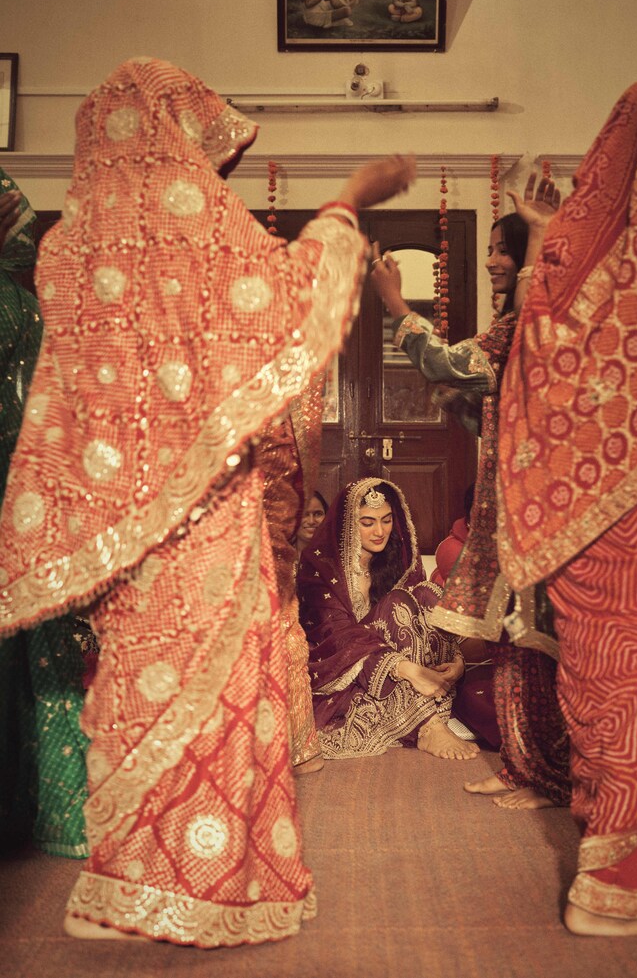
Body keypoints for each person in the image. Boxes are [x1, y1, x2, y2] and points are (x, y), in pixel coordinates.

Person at [0, 58, 416, 946]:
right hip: (205, 518)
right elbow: (290, 299)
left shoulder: (66, 247)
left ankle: (126, 882)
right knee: (216, 689)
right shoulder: (198, 227)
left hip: (118, 526)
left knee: (135, 686)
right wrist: (348, 198)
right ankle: (203, 882)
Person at [497, 79, 637, 935]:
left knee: (613, 684)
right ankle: (612, 888)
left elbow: (531, 351)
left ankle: (630, 870)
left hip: (580, 530)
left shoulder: (569, 256)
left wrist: (543, 236)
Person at [370, 175, 571, 811]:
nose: (491, 262)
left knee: (532, 639)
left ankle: (546, 775)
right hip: (503, 503)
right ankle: (521, 765)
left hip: (535, 508)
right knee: (509, 637)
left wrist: (395, 304)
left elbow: (446, 362)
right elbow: (468, 399)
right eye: (489, 250)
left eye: (502, 250)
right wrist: (464, 400)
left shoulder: (531, 327)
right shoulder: (513, 327)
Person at [0, 167, 93, 859]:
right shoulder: (32, 308)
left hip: (22, 493)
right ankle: (51, 810)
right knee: (41, 653)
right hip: (37, 501)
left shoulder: (22, 308)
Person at [298, 477, 476, 760]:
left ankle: (436, 689)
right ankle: (428, 725)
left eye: (387, 520)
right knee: (396, 602)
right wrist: (406, 669)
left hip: (401, 663)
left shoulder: (397, 559)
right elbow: (335, 635)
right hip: (345, 668)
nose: (379, 531)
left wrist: (457, 661)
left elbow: (420, 621)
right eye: (367, 523)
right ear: (347, 524)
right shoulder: (319, 567)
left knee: (425, 592)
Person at [255, 396, 327, 777]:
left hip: (265, 529)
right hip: (233, 531)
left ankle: (295, 747)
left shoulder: (284, 423)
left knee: (287, 635)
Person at [294, 489, 329, 564]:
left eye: (318, 514)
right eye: (304, 514)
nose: (311, 521)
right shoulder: (281, 556)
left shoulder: (337, 559)